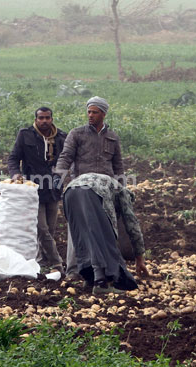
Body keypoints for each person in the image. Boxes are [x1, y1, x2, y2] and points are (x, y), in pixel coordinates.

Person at [55, 96, 125, 278]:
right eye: (89, 112)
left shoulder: (112, 137)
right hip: (82, 188)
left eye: (94, 112)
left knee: (104, 229)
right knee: (76, 228)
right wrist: (59, 175)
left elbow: (118, 166)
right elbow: (65, 156)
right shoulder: (77, 134)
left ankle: (103, 271)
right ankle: (73, 271)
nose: (90, 115)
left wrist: (122, 189)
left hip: (104, 189)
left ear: (103, 114)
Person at [63, 173, 149, 294]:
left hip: (70, 191)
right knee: (103, 238)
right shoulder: (124, 194)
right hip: (92, 192)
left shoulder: (112, 187)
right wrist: (140, 259)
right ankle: (101, 283)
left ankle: (89, 278)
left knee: (83, 237)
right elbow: (132, 226)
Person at [8, 107, 67, 273]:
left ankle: (41, 261)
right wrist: (15, 174)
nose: (44, 121)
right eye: (41, 118)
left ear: (52, 118)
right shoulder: (25, 135)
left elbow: (67, 160)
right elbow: (13, 158)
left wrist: (62, 174)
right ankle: (57, 263)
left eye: (47, 118)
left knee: (51, 229)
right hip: (33, 189)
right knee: (42, 229)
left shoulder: (61, 137)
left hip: (53, 190)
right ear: (36, 119)